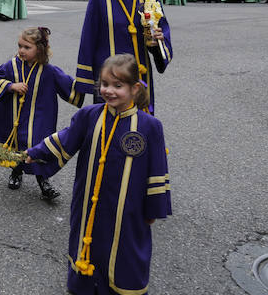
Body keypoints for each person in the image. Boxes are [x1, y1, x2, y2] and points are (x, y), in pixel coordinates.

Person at [25, 54, 171, 295]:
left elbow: (157, 169)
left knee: (124, 250)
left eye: (118, 85)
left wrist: (153, 209)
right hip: (87, 205)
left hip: (129, 211)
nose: (109, 91)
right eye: (104, 84)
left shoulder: (149, 126)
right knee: (87, 243)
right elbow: (65, 139)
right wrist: (35, 152)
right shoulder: (89, 116)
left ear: (134, 88)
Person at [74, 0, 172, 113]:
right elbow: (87, 42)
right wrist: (85, 82)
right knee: (108, 129)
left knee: (137, 129)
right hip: (108, 80)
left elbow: (162, 37)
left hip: (139, 76)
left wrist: (156, 43)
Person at [0, 27, 74, 199]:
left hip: (40, 119)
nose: (21, 50)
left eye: (27, 47)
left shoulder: (50, 71)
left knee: (39, 147)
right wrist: (11, 86)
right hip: (16, 117)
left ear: (40, 49)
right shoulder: (11, 66)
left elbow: (70, 87)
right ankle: (16, 172)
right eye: (20, 46)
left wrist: (94, 86)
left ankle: (44, 182)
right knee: (17, 144)